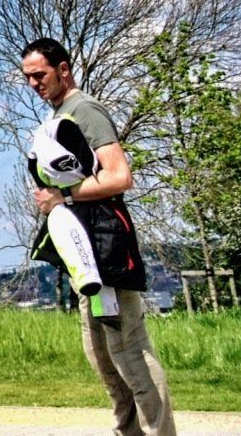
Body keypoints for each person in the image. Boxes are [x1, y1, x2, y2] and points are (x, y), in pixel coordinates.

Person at [21, 37, 172, 436]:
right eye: (28, 78)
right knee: (104, 359)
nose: (34, 84)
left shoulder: (84, 109)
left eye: (40, 75)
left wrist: (63, 196)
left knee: (129, 354)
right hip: (83, 253)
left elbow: (120, 176)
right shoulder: (59, 116)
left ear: (63, 69)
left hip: (107, 248)